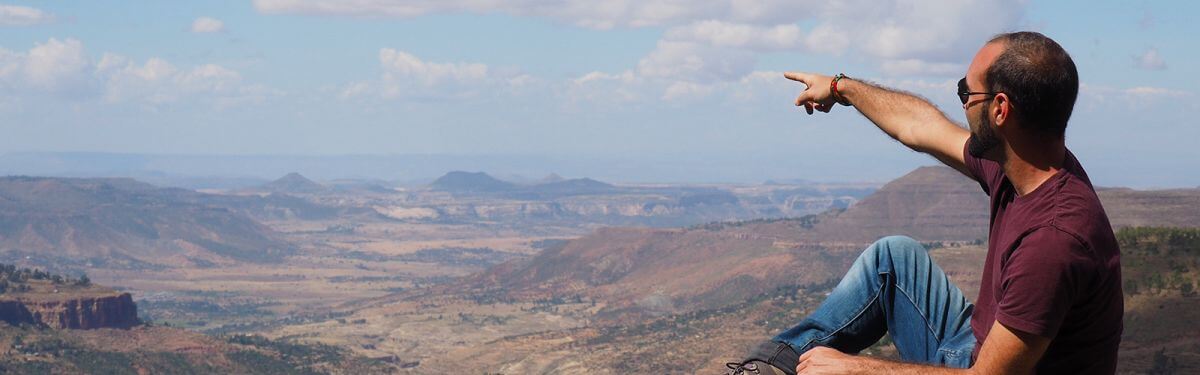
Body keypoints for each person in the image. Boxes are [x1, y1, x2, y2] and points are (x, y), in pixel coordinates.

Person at [726, 31, 1123, 374]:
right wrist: (839, 86)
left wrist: (854, 368)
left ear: (1001, 109)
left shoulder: (1053, 242)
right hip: (978, 347)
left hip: (983, 368)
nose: (963, 104)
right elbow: (920, 127)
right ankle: (778, 362)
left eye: (966, 92)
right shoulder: (1026, 164)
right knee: (894, 258)